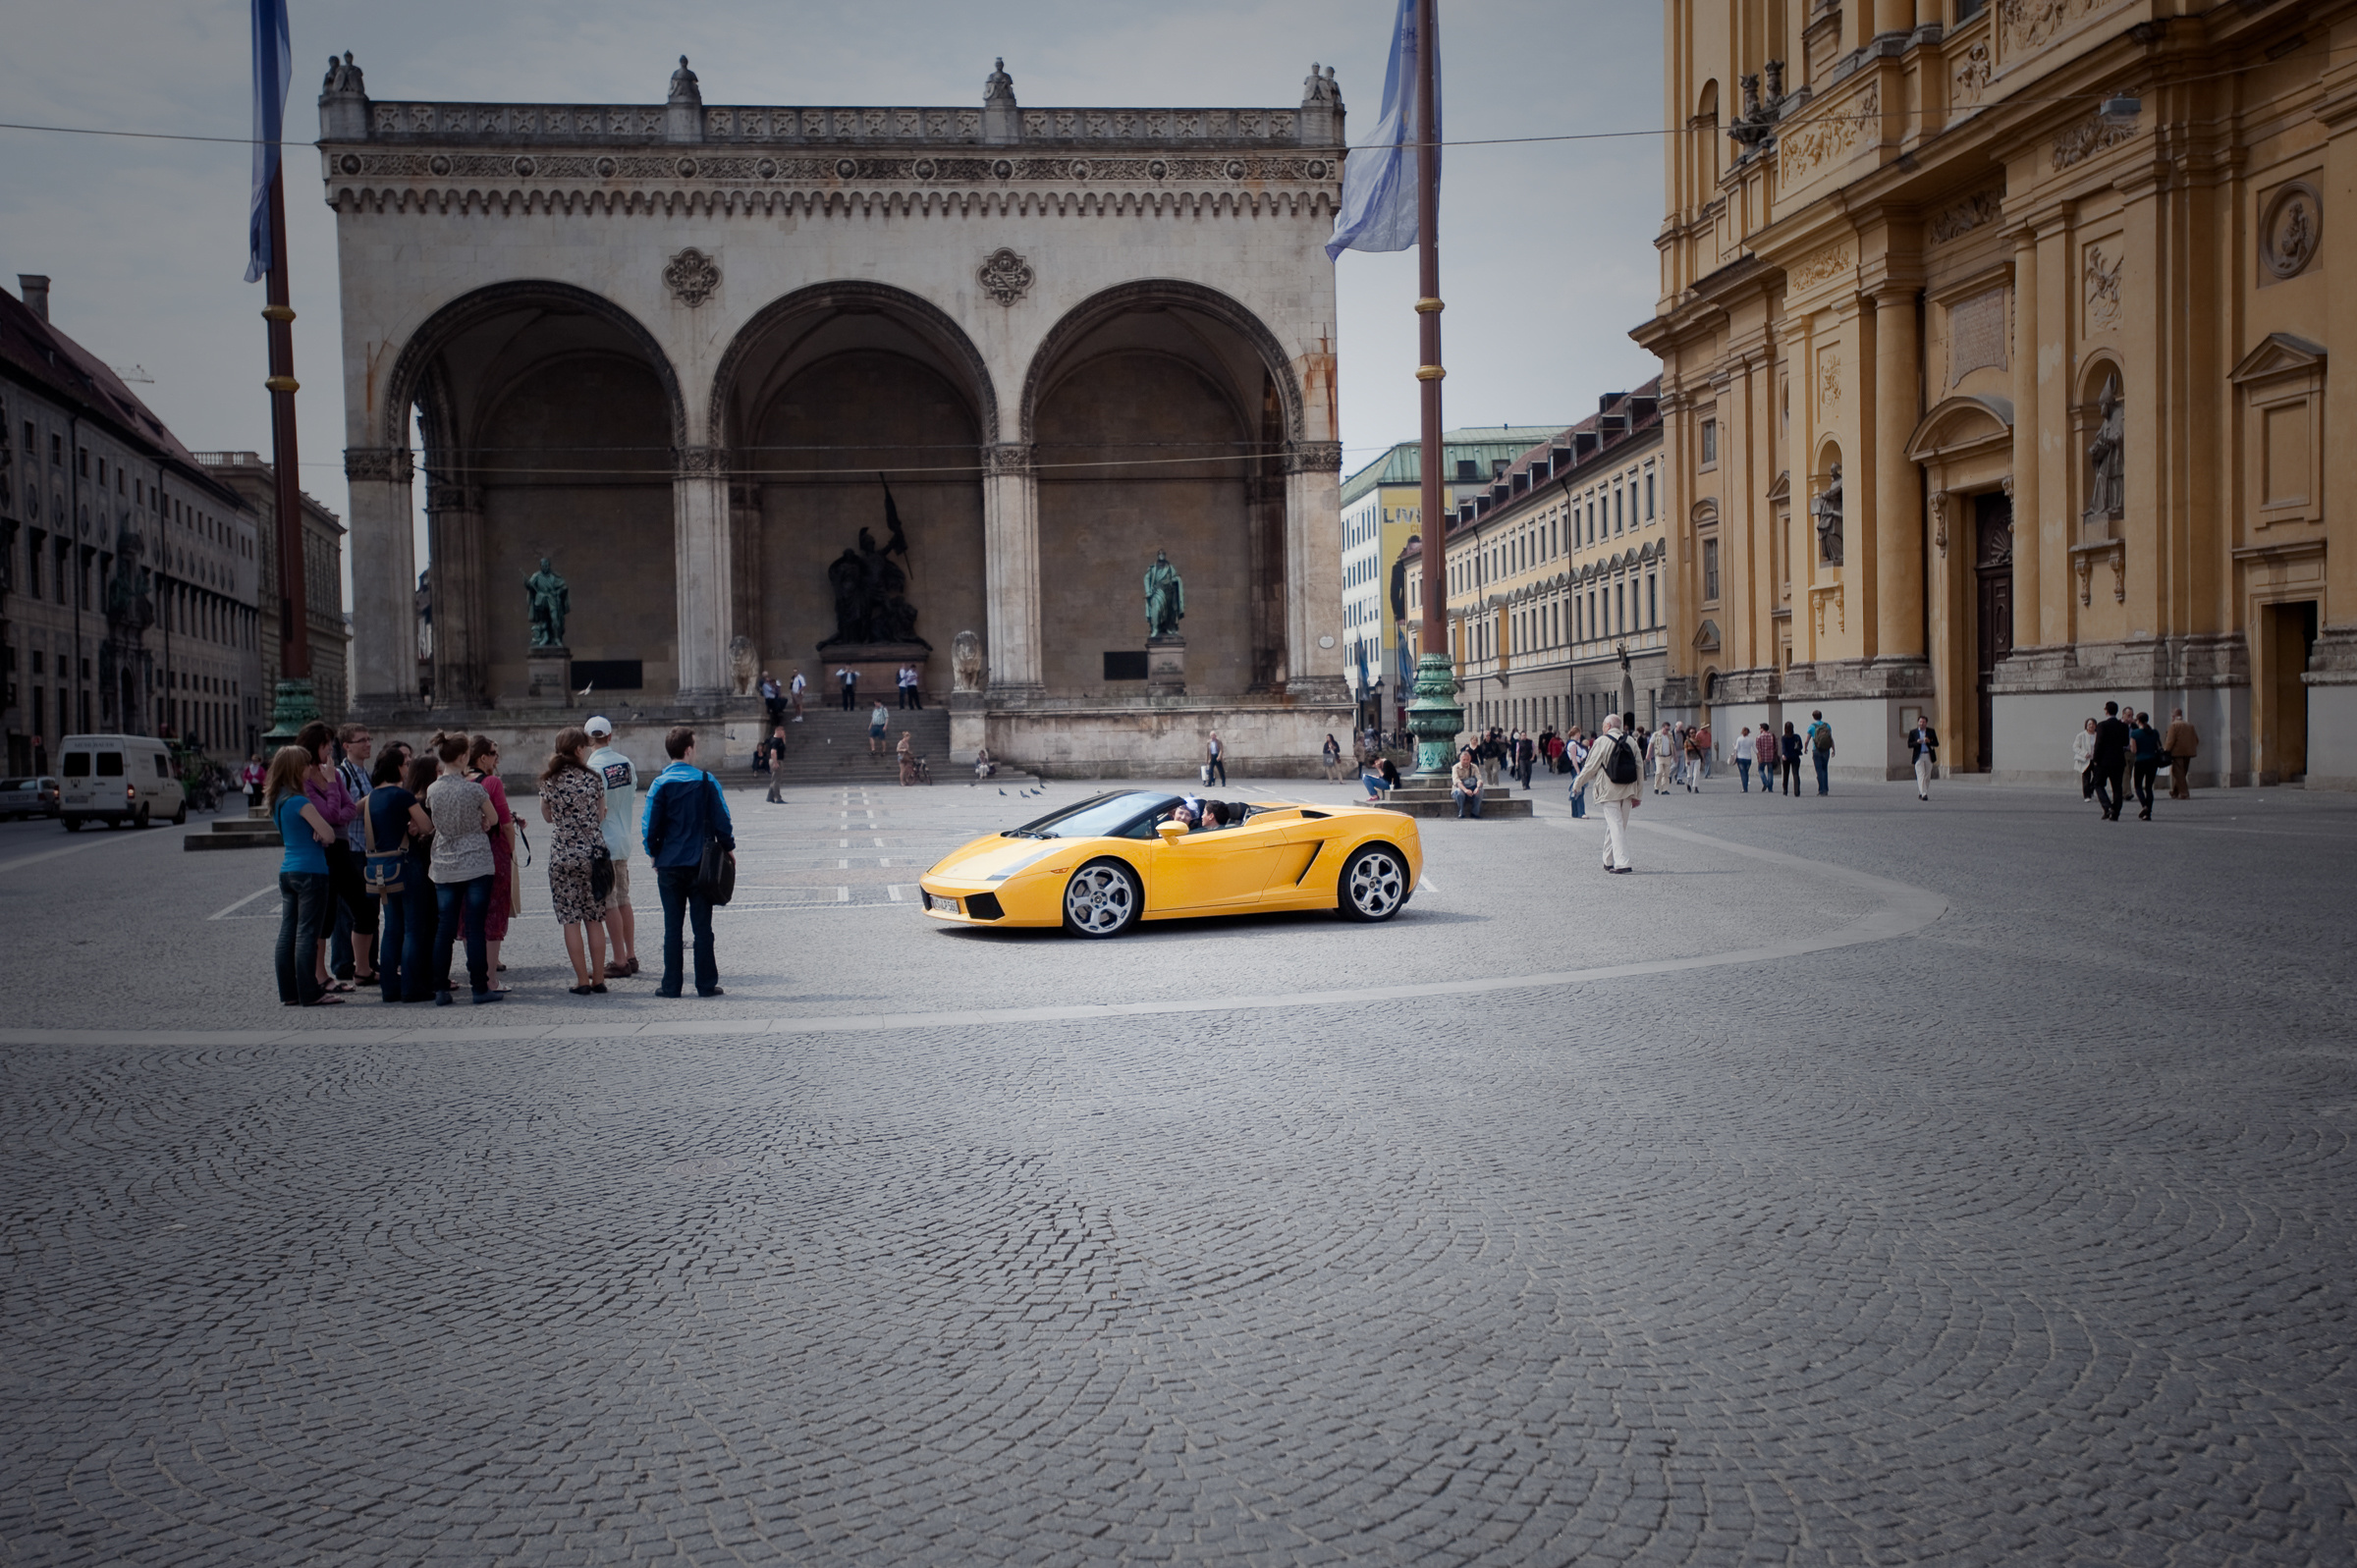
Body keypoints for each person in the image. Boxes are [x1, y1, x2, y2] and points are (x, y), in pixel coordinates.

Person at [642, 727, 734, 999]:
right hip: (701, 864)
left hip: (669, 864)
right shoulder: (706, 780)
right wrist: (728, 849)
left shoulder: (659, 784)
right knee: (702, 927)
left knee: (672, 927)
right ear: (688, 750)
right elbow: (722, 820)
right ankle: (705, 984)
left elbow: (649, 825)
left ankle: (671, 986)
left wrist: (654, 853)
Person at [425, 730, 502, 1006]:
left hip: (445, 863)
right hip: (476, 863)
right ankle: (479, 987)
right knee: (474, 927)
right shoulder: (474, 789)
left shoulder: (433, 789)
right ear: (462, 757)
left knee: (444, 927)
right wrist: (481, 821)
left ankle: (440, 989)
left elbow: (435, 820)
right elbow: (492, 819)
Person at [539, 727, 611, 995]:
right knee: (595, 918)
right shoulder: (593, 779)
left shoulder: (550, 780)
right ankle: (599, 978)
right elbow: (600, 816)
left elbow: (547, 817)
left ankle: (582, 981)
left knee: (571, 920)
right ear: (579, 750)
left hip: (562, 856)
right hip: (592, 856)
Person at [297, 722, 366, 993]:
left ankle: (362, 968)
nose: (330, 751)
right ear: (315, 748)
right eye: (327, 746)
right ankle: (320, 974)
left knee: (361, 905)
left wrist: (335, 806)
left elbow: (347, 810)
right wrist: (331, 789)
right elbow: (329, 815)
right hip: (322, 851)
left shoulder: (334, 774)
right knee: (323, 916)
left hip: (341, 847)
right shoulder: (306, 778)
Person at [267, 744, 338, 1006]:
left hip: (288, 871)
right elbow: (329, 834)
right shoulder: (300, 801)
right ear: (298, 768)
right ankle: (311, 991)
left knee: (288, 933)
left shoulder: (279, 800)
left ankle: (289, 992)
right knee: (307, 933)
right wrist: (321, 830)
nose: (312, 767)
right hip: (312, 871)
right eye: (308, 764)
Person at [365, 749, 435, 1004]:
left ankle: (389, 988)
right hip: (406, 865)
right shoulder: (402, 795)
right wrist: (412, 826)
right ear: (396, 767)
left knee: (392, 928)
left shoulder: (371, 797)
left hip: (381, 868)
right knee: (413, 929)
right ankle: (411, 987)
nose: (407, 769)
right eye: (405, 765)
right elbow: (426, 826)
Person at [583, 717, 640, 980]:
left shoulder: (590, 768)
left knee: (609, 902)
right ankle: (630, 953)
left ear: (588, 739)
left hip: (603, 843)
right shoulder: (627, 763)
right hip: (623, 837)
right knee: (624, 899)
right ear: (610, 736)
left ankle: (618, 960)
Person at [465, 736, 516, 989]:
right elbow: (505, 823)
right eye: (494, 753)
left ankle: (474, 965)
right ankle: (490, 977)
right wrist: (511, 851)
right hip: (493, 852)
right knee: (494, 911)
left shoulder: (455, 782)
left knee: (469, 912)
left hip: (462, 855)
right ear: (482, 757)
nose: (497, 759)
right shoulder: (492, 782)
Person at [1570, 713, 1642, 874]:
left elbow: (1590, 767)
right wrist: (1638, 794)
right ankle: (1608, 860)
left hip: (1609, 790)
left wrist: (1577, 783)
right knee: (1617, 826)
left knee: (1615, 826)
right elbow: (1640, 768)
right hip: (1628, 789)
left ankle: (1622, 863)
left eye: (1603, 725)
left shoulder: (1601, 742)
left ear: (1608, 726)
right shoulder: (1631, 741)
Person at [2090, 701, 2132, 821]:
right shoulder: (2123, 726)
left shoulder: (2102, 725)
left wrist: (2096, 759)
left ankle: (2107, 807)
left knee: (2098, 784)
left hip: (2103, 761)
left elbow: (2099, 744)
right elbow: (2125, 742)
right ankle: (2116, 811)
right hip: (2118, 760)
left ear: (2106, 711)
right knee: (2117, 787)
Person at [2130, 710, 2164, 821]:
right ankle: (2148, 812)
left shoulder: (2134, 733)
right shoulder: (2154, 732)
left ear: (2138, 721)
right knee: (2149, 787)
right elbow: (2158, 746)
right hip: (2152, 761)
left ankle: (2144, 806)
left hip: (2140, 761)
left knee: (2138, 786)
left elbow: (2134, 750)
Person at [2163, 708, 2200, 799]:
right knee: (2182, 772)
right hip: (2189, 752)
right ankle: (2175, 791)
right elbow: (2196, 739)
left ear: (2173, 716)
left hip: (2177, 752)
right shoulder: (2190, 725)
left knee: (2178, 772)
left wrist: (2166, 750)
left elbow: (2170, 740)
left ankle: (2184, 792)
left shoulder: (2173, 726)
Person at [1907, 713, 1940, 801]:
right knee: (1921, 774)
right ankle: (1924, 794)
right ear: (1918, 723)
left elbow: (1936, 743)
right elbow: (1909, 744)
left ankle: (1921, 792)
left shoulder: (1931, 731)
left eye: (1923, 722)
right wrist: (1917, 742)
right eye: (1920, 722)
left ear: (1926, 723)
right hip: (1919, 756)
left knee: (1927, 776)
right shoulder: (1913, 732)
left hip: (1928, 755)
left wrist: (1929, 741)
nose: (1922, 723)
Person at [1805, 710, 1836, 794]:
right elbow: (1830, 738)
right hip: (1826, 750)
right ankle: (1825, 789)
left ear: (1813, 717)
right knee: (1825, 769)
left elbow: (1807, 740)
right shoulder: (1827, 725)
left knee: (1819, 770)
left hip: (1816, 750)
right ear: (1821, 716)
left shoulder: (1811, 726)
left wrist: (1805, 748)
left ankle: (1821, 789)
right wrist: (1833, 749)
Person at [1451, 746, 1484, 819]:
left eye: (1467, 760)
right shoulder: (1455, 767)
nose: (1466, 761)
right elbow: (1456, 781)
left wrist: (1477, 788)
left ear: (1470, 759)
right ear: (1460, 759)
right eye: (1464, 760)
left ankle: (1475, 812)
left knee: (1480, 790)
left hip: (1472, 787)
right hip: (1460, 788)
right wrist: (1465, 790)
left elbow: (1479, 779)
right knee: (1459, 792)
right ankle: (1461, 811)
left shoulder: (1474, 766)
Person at [1565, 729, 1591, 819]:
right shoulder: (1573, 744)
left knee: (1576, 788)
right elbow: (1573, 759)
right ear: (1576, 734)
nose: (1580, 735)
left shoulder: (1574, 743)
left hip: (1576, 767)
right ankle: (1581, 812)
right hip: (1576, 768)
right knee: (1579, 789)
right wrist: (1578, 771)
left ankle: (1575, 812)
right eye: (1579, 733)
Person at [2073, 718, 2100, 800]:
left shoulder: (2098, 735)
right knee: (2086, 778)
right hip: (2085, 760)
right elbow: (2075, 747)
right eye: (2089, 724)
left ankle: (2091, 789)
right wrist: (2084, 753)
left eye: (2093, 724)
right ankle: (2087, 795)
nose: (2091, 726)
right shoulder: (2081, 735)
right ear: (2086, 726)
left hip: (2095, 759)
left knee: (2098, 776)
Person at [1652, 720, 1677, 794]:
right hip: (1659, 756)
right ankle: (1656, 787)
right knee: (1659, 772)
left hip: (1668, 756)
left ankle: (1664, 789)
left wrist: (1675, 756)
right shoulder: (1656, 734)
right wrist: (1648, 754)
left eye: (1668, 729)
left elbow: (1673, 745)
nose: (1667, 731)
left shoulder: (1670, 735)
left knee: (1666, 774)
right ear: (1662, 728)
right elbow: (1651, 744)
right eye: (1666, 729)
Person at [1754, 725, 1778, 799]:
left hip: (1762, 756)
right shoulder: (1772, 736)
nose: (1759, 729)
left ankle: (1765, 782)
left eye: (1760, 728)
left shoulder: (1759, 737)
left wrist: (1759, 757)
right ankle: (1770, 788)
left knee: (1760, 770)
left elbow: (1758, 748)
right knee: (1770, 771)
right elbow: (1776, 746)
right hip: (1770, 756)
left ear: (1762, 728)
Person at [1780, 721, 1803, 795]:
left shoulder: (1784, 737)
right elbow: (1801, 746)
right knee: (1796, 774)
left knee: (1786, 774)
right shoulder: (1797, 737)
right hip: (1795, 756)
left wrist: (1783, 754)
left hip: (1786, 757)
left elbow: (1784, 747)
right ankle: (1797, 791)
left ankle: (1785, 790)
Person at [765, 726, 788, 803]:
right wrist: (775, 762)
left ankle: (770, 797)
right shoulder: (775, 741)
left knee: (774, 779)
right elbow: (773, 752)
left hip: (776, 760)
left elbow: (783, 748)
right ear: (778, 731)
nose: (784, 732)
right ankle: (777, 798)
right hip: (776, 760)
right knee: (776, 781)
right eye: (782, 731)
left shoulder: (777, 739)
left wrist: (783, 739)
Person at [1734, 727, 1754, 792]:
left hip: (1740, 758)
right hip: (1748, 758)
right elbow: (1755, 749)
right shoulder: (1751, 739)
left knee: (1742, 773)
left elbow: (1736, 748)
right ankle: (1746, 785)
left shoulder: (1739, 739)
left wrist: (1734, 746)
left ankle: (1744, 788)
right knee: (1746, 772)